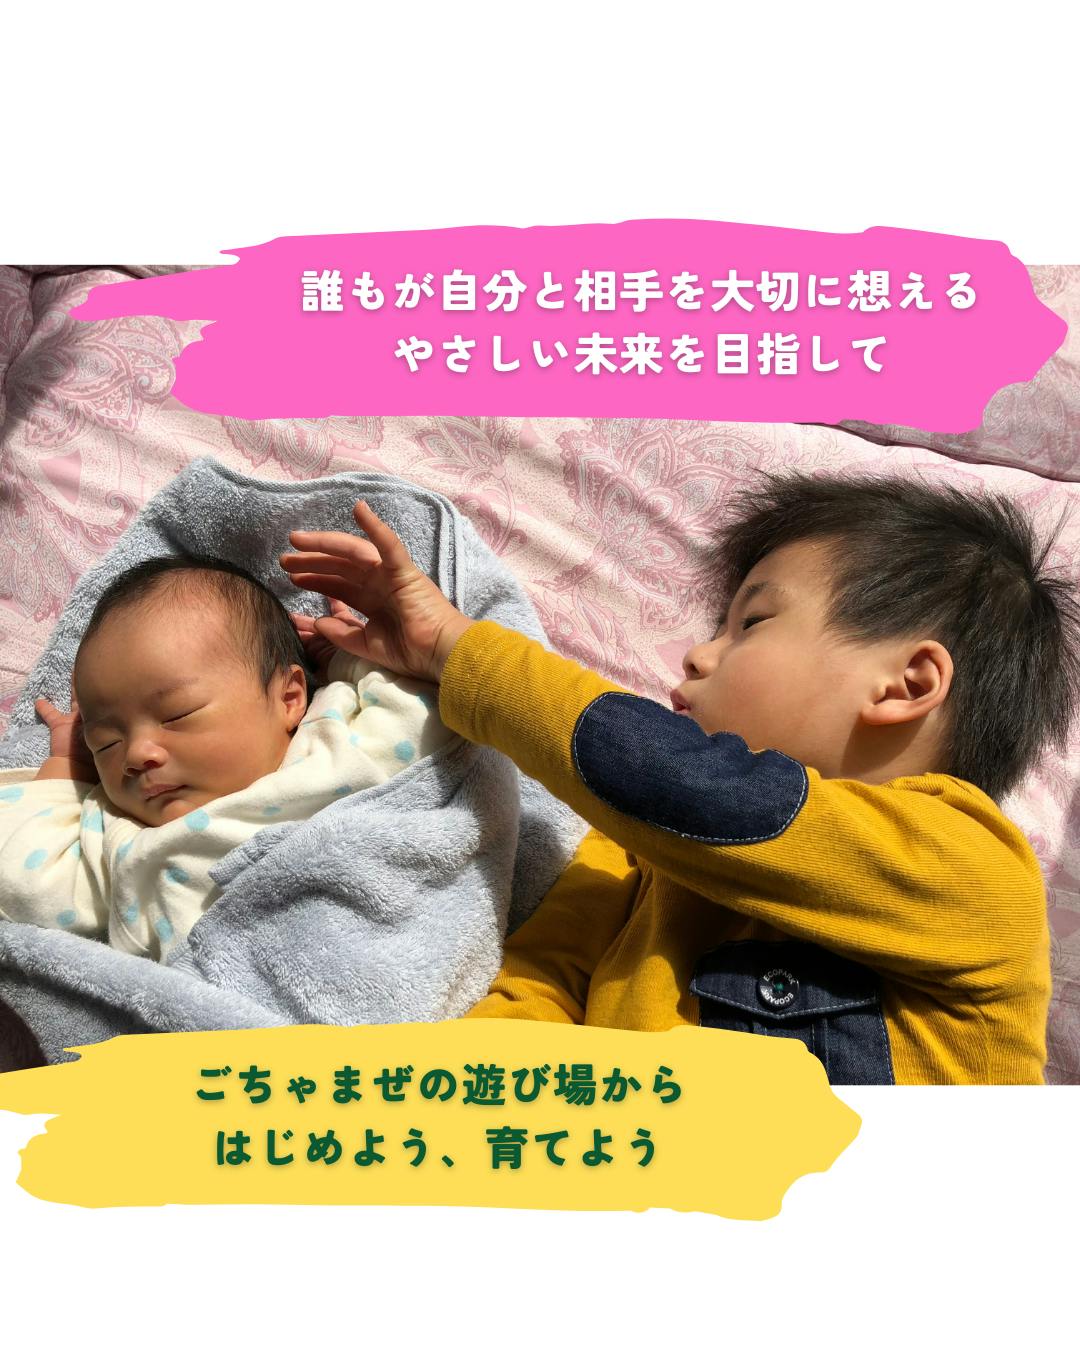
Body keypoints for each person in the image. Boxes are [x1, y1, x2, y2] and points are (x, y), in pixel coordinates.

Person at [279, 470, 1080, 1085]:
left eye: (751, 623)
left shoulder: (971, 872)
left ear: (906, 684)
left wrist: (458, 651)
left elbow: (689, 789)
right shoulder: (629, 860)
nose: (697, 656)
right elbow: (537, 993)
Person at [0, 556, 455, 960]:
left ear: (289, 698)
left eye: (177, 714)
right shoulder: (118, 835)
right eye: (105, 743)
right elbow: (26, 888)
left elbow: (428, 717)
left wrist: (352, 660)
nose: (136, 754)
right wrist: (68, 767)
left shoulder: (330, 747)